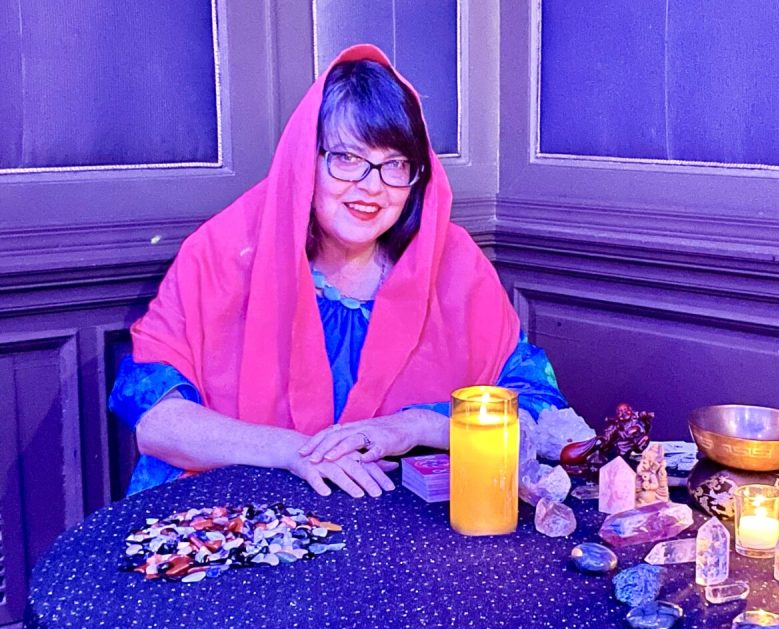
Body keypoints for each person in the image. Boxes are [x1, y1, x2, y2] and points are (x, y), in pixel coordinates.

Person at [110, 44, 567, 498]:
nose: (371, 187)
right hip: (244, 520)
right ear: (304, 159)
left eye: (394, 164)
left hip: (403, 531)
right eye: (347, 158)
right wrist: (296, 452)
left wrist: (411, 427)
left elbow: (540, 415)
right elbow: (158, 422)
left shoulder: (456, 267)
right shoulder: (223, 253)